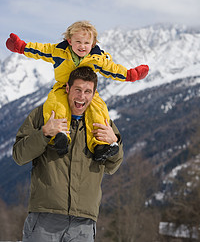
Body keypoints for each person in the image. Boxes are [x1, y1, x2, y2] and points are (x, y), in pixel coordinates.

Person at [6, 20, 149, 161]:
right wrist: (21, 46)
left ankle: (100, 145)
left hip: (88, 91)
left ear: (93, 44)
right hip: (62, 87)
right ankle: (60, 136)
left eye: (86, 43)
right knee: (56, 106)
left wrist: (131, 75)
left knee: (99, 110)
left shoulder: (97, 58)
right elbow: (39, 50)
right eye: (78, 42)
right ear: (69, 41)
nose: (82, 46)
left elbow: (113, 69)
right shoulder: (58, 52)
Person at [13, 66, 124, 242]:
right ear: (67, 89)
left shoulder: (102, 121)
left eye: (88, 91)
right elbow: (19, 155)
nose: (82, 96)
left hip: (84, 223)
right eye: (77, 90)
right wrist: (44, 134)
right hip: (45, 218)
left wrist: (114, 143)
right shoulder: (43, 115)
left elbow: (112, 166)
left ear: (94, 94)